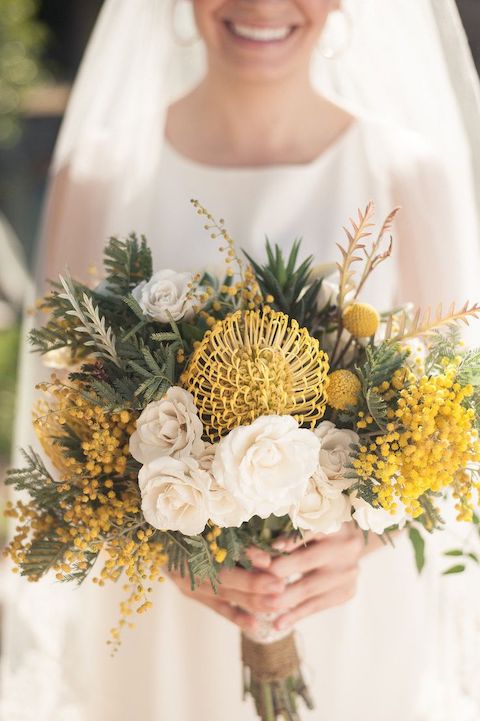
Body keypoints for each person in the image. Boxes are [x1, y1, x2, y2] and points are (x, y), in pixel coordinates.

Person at [2, 2, 480, 720]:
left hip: (352, 616)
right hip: (158, 623)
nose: (262, 4)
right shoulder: (100, 172)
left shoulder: (408, 171)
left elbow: (458, 432)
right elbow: (61, 423)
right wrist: (169, 547)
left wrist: (362, 543)